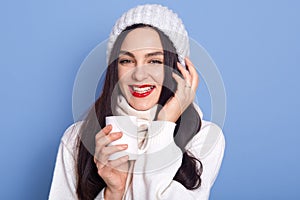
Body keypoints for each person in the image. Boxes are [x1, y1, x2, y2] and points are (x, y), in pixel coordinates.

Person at [49, 4, 225, 200]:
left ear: (178, 70)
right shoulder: (76, 138)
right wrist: (112, 194)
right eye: (126, 61)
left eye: (154, 61)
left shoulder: (205, 137)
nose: (139, 75)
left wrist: (164, 123)